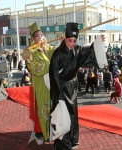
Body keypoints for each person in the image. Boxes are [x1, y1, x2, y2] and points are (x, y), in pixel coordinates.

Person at [49, 22, 106, 150]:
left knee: (73, 114)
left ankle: (73, 139)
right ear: (65, 38)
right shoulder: (57, 53)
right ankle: (62, 144)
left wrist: (97, 43)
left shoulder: (78, 50)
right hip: (61, 88)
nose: (73, 43)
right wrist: (58, 95)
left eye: (75, 40)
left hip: (72, 87)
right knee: (62, 115)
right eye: (70, 40)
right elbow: (54, 75)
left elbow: (89, 53)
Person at [26, 22, 58, 144]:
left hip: (50, 82)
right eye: (37, 36)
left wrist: (59, 42)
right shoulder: (31, 51)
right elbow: (35, 68)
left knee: (52, 105)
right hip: (41, 83)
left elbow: (55, 54)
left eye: (41, 35)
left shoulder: (46, 47)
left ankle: (51, 130)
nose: (40, 37)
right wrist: (42, 55)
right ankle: (40, 133)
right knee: (42, 106)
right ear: (33, 38)